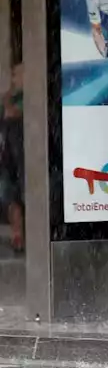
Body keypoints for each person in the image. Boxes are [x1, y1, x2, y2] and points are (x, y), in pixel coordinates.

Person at [0, 64, 23, 253]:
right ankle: (17, 234)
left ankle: (20, 234)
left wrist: (7, 99)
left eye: (16, 74)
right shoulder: (12, 96)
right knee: (11, 196)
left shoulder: (30, 96)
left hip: (23, 154)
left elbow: (12, 113)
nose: (14, 78)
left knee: (19, 195)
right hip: (9, 155)